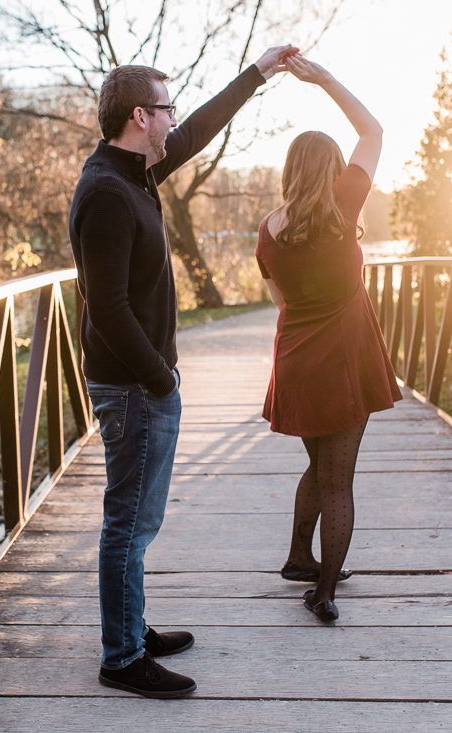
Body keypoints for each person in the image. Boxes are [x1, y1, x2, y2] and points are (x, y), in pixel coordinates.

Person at [69, 45, 297, 698]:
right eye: (165, 109)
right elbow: (106, 306)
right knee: (129, 523)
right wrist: (160, 378)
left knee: (136, 521)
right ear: (140, 116)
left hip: (141, 384)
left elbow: (196, 129)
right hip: (134, 386)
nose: (174, 120)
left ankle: (131, 627)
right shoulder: (108, 192)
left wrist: (256, 73)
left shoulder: (131, 171)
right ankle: (121, 657)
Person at [255, 54, 402, 622]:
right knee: (339, 479)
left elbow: (281, 303)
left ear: (291, 171)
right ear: (334, 170)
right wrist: (324, 80)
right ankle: (323, 592)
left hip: (295, 361)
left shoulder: (269, 229)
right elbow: (374, 130)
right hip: (342, 362)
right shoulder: (344, 208)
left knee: (319, 466)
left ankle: (298, 557)